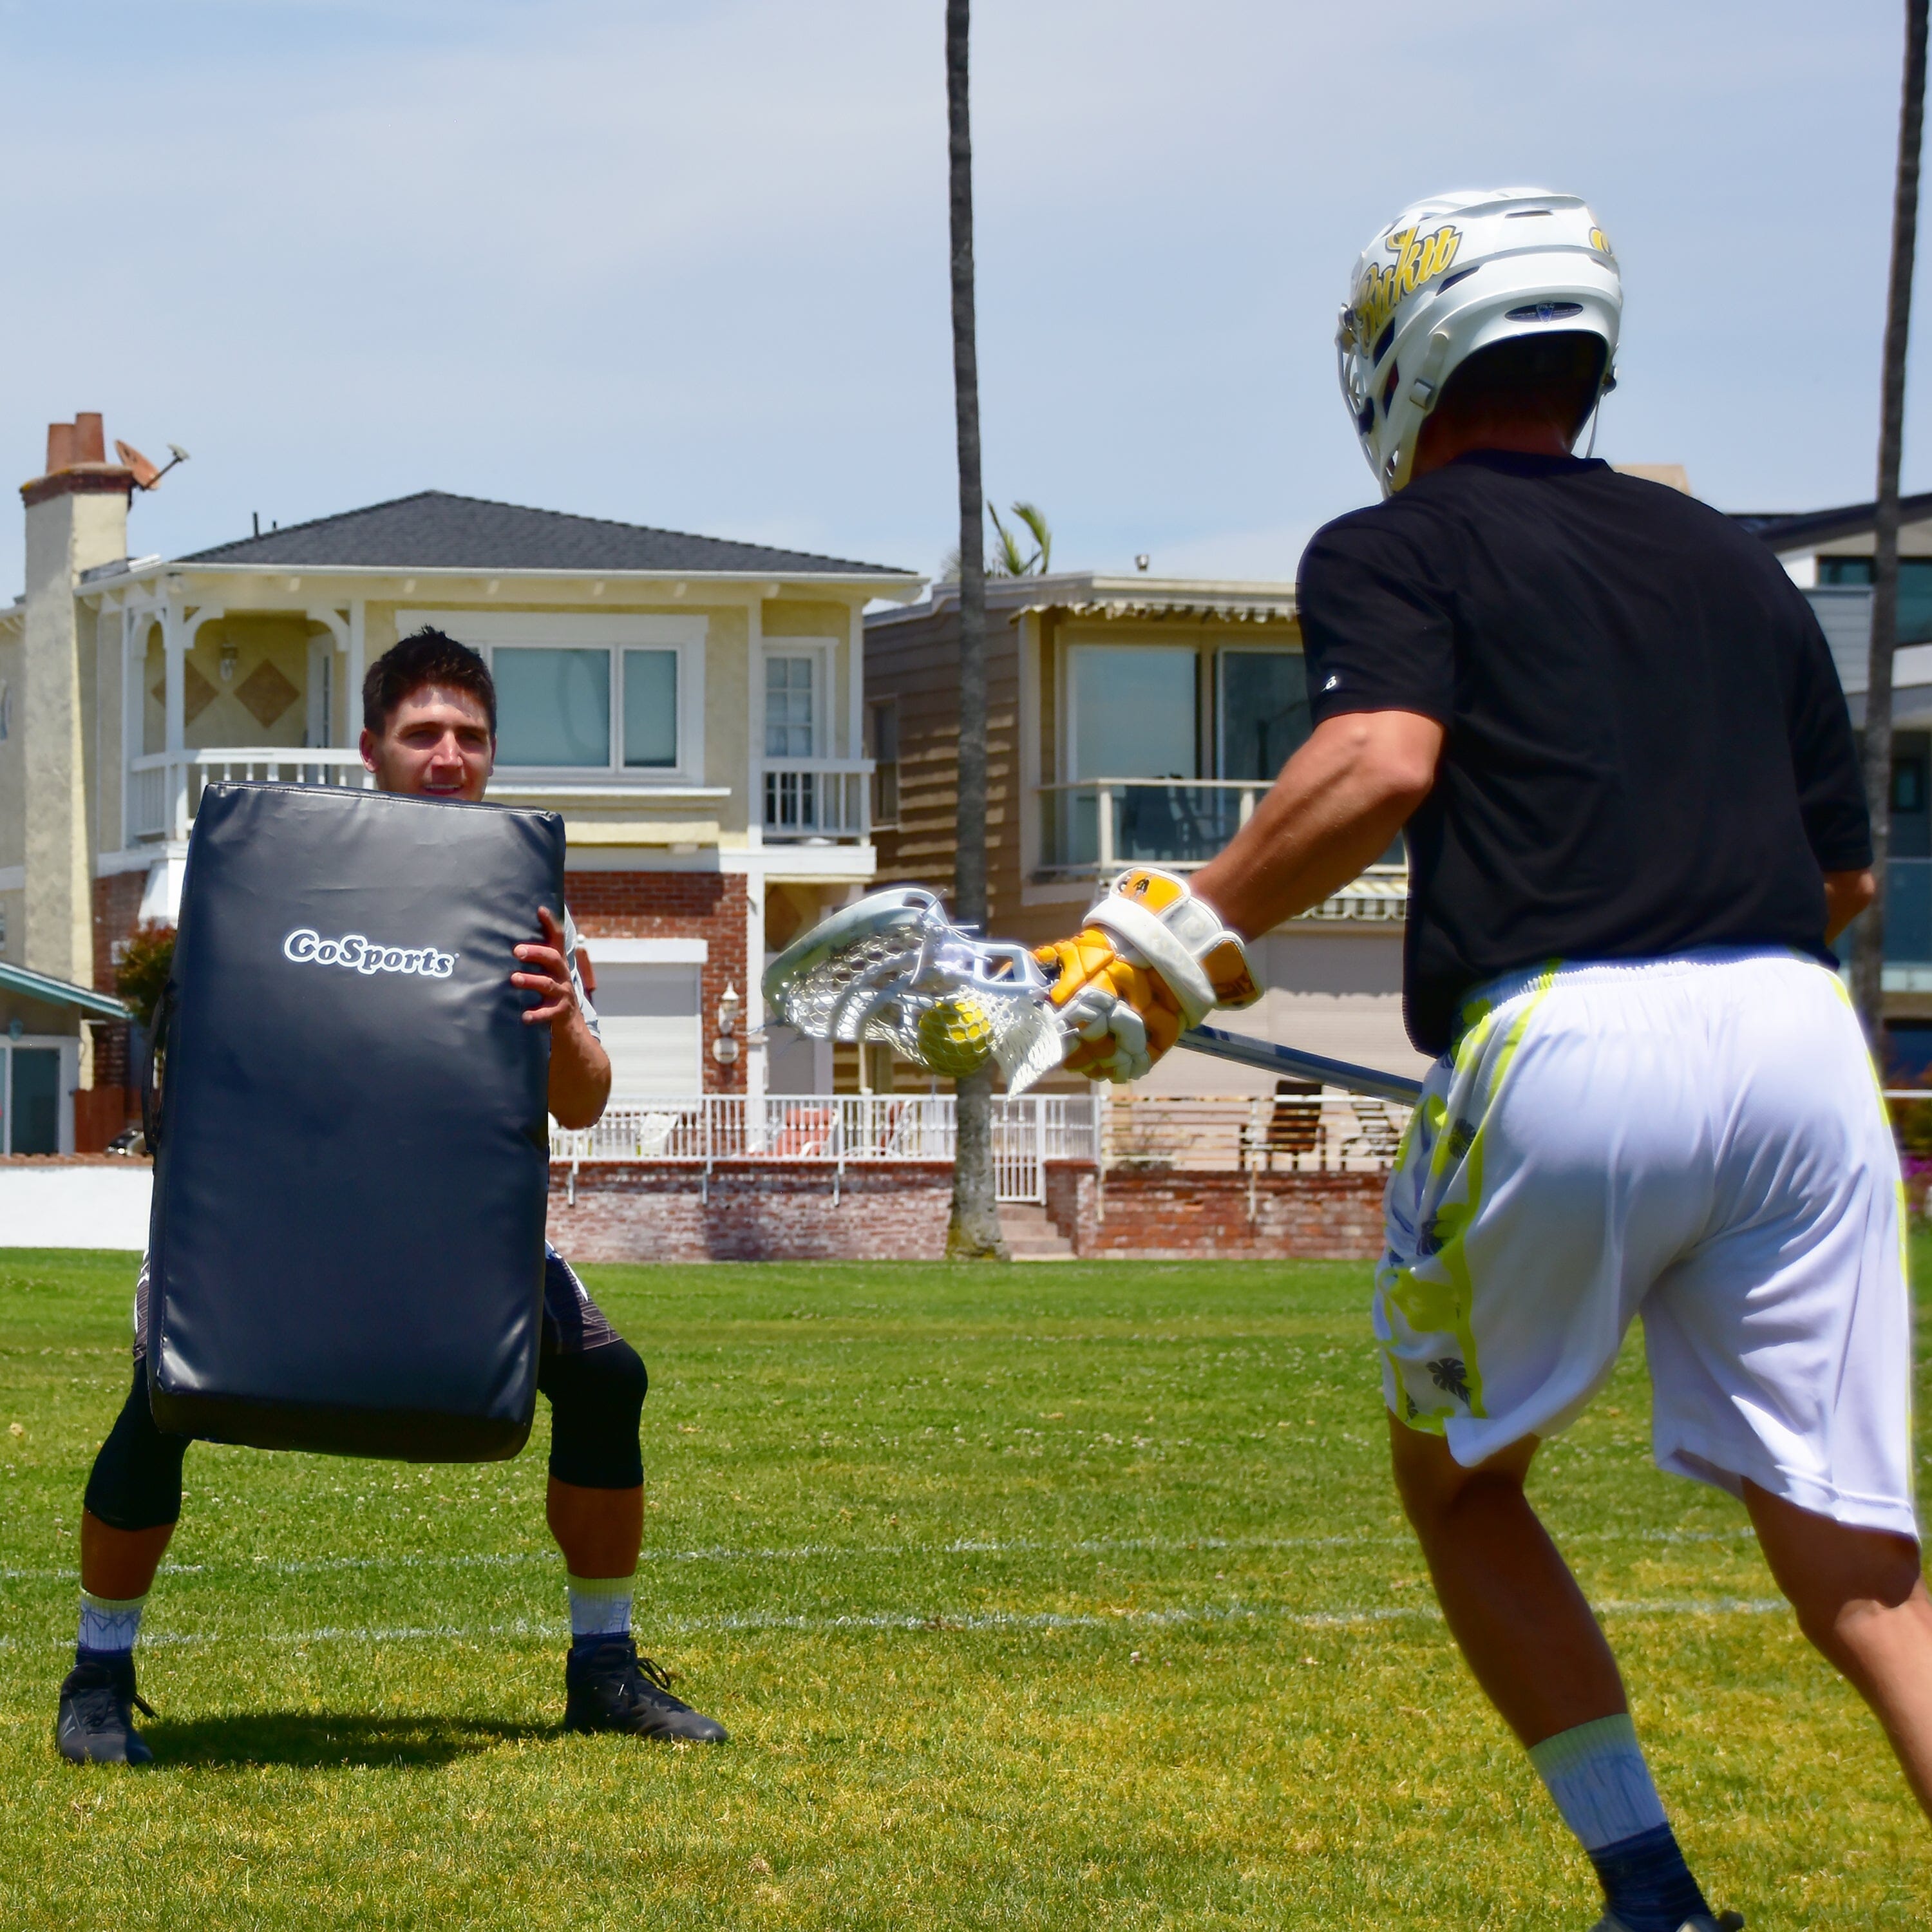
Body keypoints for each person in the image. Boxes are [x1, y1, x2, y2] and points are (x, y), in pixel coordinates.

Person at [1034, 188, 1930, 1931]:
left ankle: (1653, 1896)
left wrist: (1167, 946)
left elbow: (1375, 764)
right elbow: (1845, 877)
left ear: (1399, 361)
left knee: (1460, 1484)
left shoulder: (1397, 545)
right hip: (1800, 1038)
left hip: (1569, 1035)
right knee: (1866, 1575)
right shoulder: (1739, 564)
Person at [57, 628, 727, 1763]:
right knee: (162, 1398)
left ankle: (603, 1670)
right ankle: (97, 1676)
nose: (449, 755)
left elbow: (582, 1106)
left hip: (466, 1244)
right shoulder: (273, 864)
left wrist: (564, 1009)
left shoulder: (538, 912)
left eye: (470, 736)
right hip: (267, 1225)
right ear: (372, 748)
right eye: (424, 733)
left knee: (609, 1377)